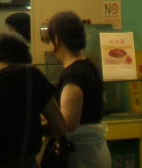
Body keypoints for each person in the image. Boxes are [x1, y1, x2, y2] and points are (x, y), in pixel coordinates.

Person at [0, 32, 69, 168]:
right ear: (24, 54)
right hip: (22, 163)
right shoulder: (30, 75)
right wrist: (32, 129)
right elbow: (60, 127)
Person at [47, 11, 109, 168]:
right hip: (94, 154)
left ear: (56, 40)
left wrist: (34, 128)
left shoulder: (73, 76)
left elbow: (67, 124)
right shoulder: (89, 67)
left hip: (81, 159)